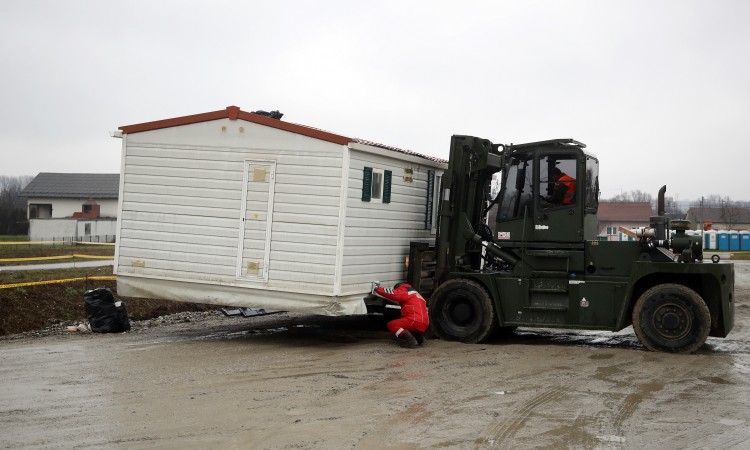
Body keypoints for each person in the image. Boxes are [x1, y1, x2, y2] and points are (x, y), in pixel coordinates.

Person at [374, 282, 429, 349]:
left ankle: (409, 340)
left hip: (414, 320)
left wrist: (377, 289)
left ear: (398, 288)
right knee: (409, 325)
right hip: (424, 323)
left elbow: (394, 294)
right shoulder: (417, 295)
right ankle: (418, 338)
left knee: (392, 324)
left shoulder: (405, 290)